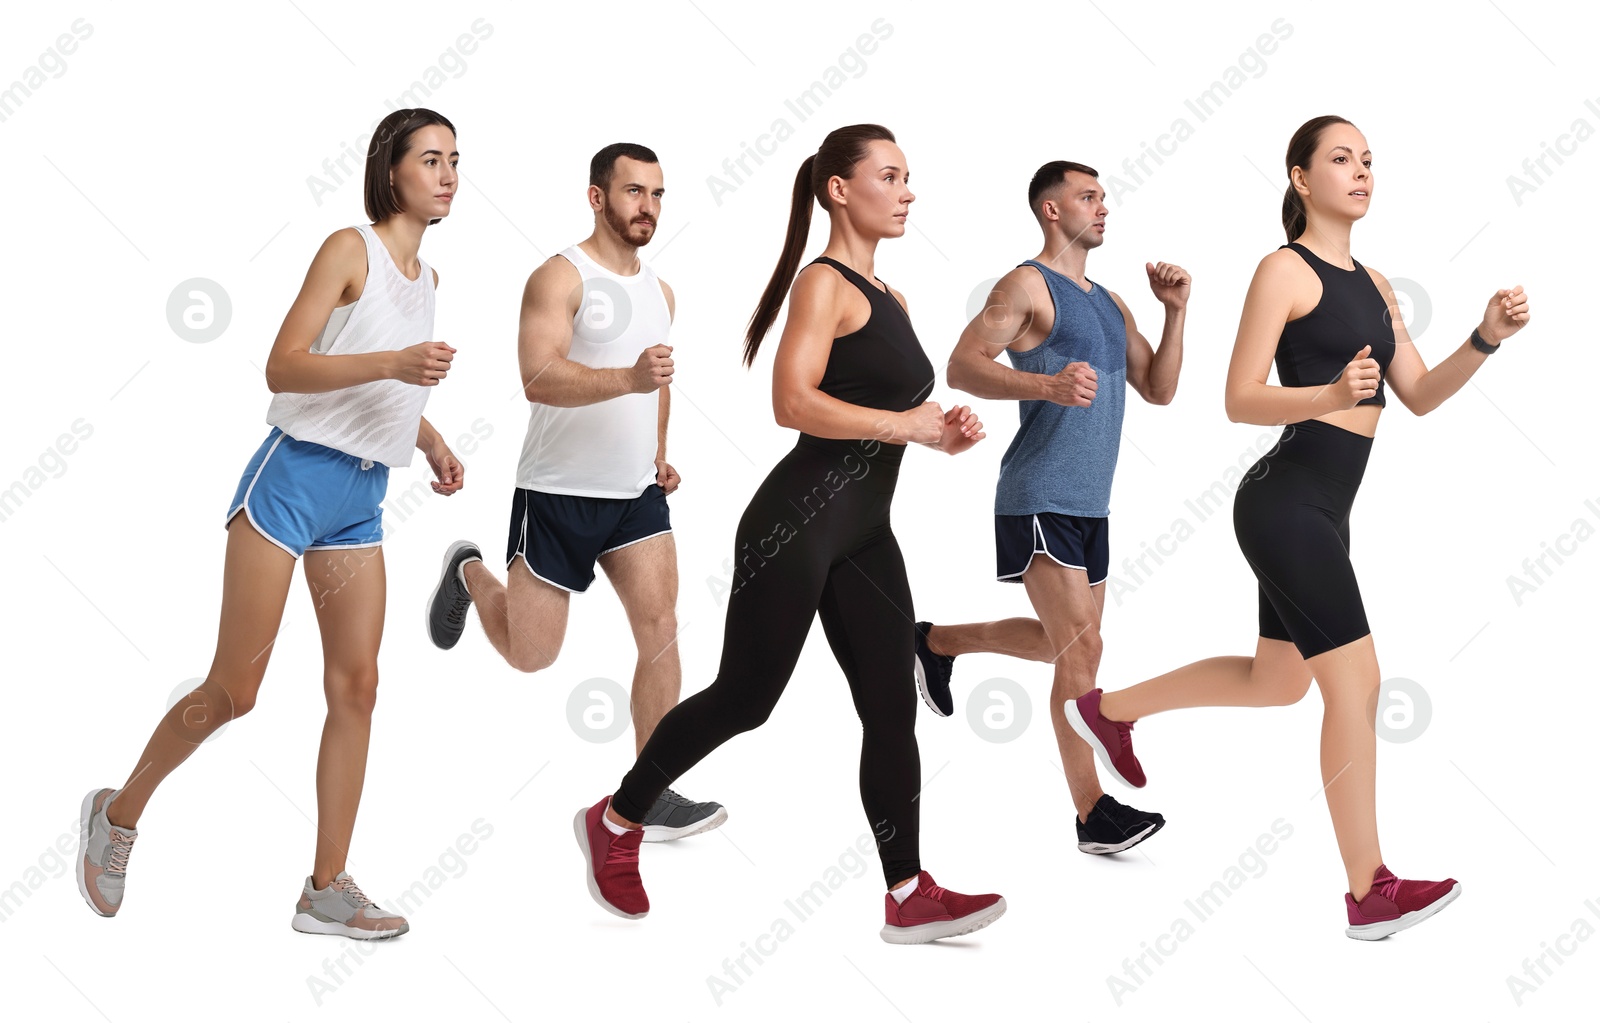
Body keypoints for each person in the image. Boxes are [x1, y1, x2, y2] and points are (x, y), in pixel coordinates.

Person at [1062, 114, 1530, 939]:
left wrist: (1484, 339)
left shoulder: (1378, 284)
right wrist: (1326, 396)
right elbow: (1239, 396)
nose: (1361, 172)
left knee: (1277, 681)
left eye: (1369, 160)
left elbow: (1416, 395)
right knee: (1358, 683)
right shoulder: (1283, 270)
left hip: (1323, 512)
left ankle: (1110, 709)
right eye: (1341, 159)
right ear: (1300, 178)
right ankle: (1368, 889)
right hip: (1282, 503)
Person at [573, 124, 1006, 944]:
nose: (908, 190)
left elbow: (888, 418)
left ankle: (907, 891)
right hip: (797, 523)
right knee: (747, 697)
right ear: (841, 190)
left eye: (909, 176)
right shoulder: (824, 284)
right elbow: (792, 403)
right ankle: (617, 819)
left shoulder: (894, 299)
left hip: (867, 533)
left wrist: (937, 433)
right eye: (891, 175)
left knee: (889, 708)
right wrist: (905, 424)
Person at [78, 108, 469, 938]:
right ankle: (117, 812)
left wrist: (429, 436)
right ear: (391, 171)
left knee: (358, 686)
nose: (446, 174)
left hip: (360, 499)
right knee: (236, 689)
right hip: (291, 481)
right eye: (430, 159)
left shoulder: (429, 281)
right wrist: (397, 364)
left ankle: (325, 887)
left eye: (455, 161)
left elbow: (386, 392)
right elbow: (284, 363)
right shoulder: (348, 247)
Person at [425, 143, 724, 842]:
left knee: (661, 625)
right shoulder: (559, 277)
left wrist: (659, 455)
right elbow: (539, 376)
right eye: (633, 192)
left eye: (656, 193)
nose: (646, 206)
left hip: (634, 498)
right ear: (597, 197)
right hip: (556, 493)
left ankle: (649, 791)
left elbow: (661, 380)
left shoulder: (662, 290)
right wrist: (629, 380)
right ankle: (469, 571)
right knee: (532, 655)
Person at [912, 160, 1188, 856]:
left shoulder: (1111, 301)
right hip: (1038, 493)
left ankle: (935, 641)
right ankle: (1092, 812)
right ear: (1050, 209)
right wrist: (1047, 388)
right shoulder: (1025, 286)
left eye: (1103, 197)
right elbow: (962, 365)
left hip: (1092, 502)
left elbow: (1159, 387)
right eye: (1088, 197)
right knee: (1083, 649)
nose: (1102, 207)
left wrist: (1175, 311)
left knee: (1067, 647)